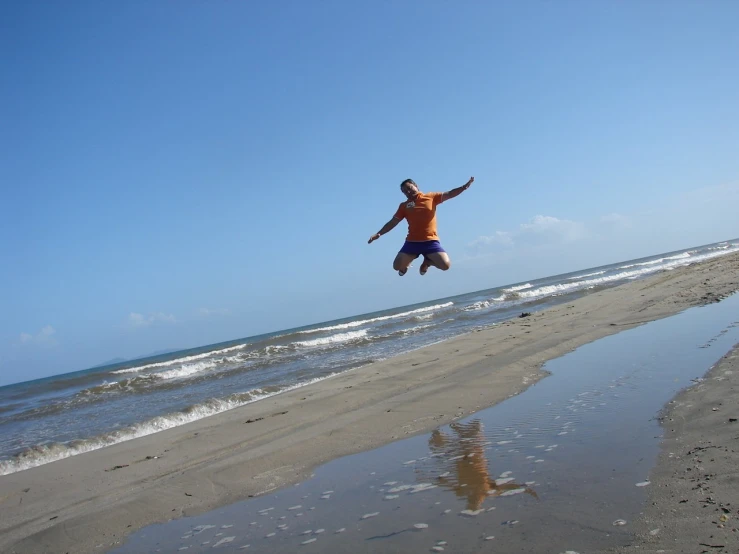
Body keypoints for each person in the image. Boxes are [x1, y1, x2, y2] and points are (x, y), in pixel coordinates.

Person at [368, 176, 474, 276]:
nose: (408, 192)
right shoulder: (403, 206)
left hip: (430, 241)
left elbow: (450, 194)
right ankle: (406, 264)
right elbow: (393, 222)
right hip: (412, 242)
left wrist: (463, 187)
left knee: (445, 265)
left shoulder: (431, 197)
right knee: (396, 266)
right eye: (405, 192)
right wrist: (379, 233)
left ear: (416, 186)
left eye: (409, 188)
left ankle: (428, 262)